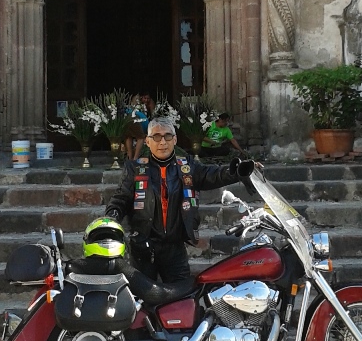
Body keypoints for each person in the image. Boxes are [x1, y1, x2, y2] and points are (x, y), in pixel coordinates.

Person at [105, 116, 252, 283]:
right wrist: (110, 219)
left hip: (174, 248)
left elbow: (213, 174)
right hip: (142, 247)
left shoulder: (187, 166)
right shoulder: (135, 168)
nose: (163, 142)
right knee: (140, 297)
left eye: (167, 136)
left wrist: (240, 170)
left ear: (174, 140)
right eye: (156, 137)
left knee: (182, 296)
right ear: (147, 141)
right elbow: (120, 198)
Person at [124, 94, 149, 162]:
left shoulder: (134, 108)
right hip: (135, 118)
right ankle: (135, 159)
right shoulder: (138, 110)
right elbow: (142, 137)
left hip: (127, 116)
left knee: (129, 137)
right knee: (140, 138)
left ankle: (130, 158)